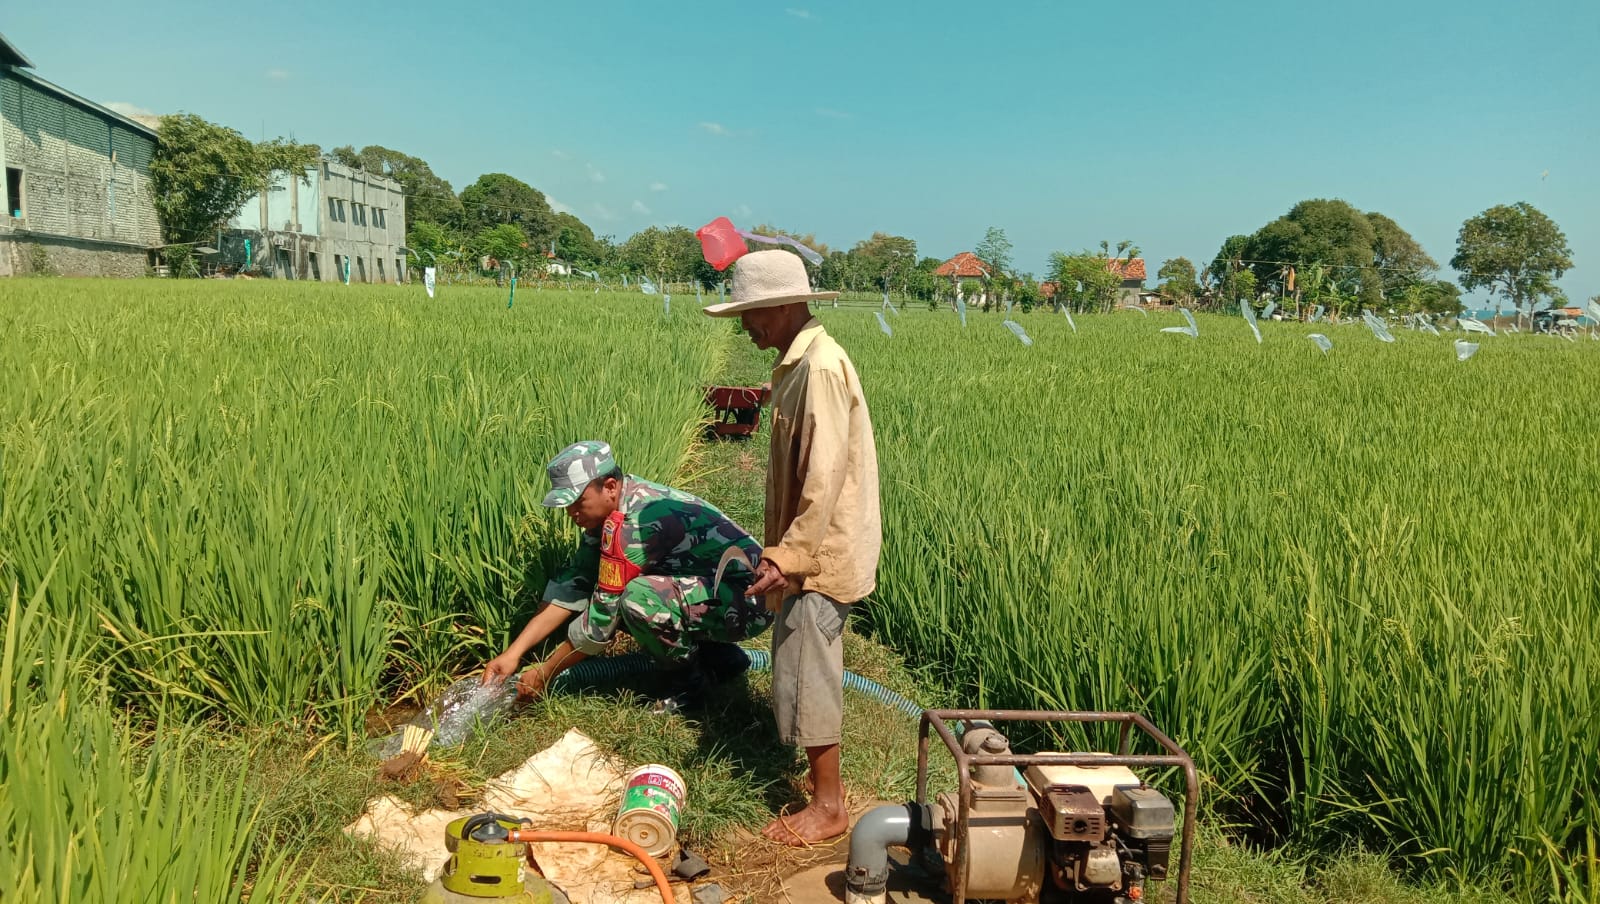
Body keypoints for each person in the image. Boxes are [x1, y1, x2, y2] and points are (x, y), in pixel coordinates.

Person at [702, 250, 882, 845]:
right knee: (800, 661)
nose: (744, 326)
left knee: (809, 667)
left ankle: (829, 808)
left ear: (781, 307)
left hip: (821, 553)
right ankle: (820, 788)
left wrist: (789, 555)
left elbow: (824, 475)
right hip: (810, 547)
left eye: (750, 314)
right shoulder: (796, 364)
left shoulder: (819, 369)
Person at [482, 440, 771, 706]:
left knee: (638, 599)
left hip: (750, 598)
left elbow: (601, 616)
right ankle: (720, 659)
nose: (571, 513)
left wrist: (545, 673)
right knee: (628, 595)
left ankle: (689, 688)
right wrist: (513, 653)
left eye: (577, 502)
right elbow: (572, 585)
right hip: (712, 590)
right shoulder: (610, 514)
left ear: (609, 486)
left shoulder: (636, 524)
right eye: (565, 505)